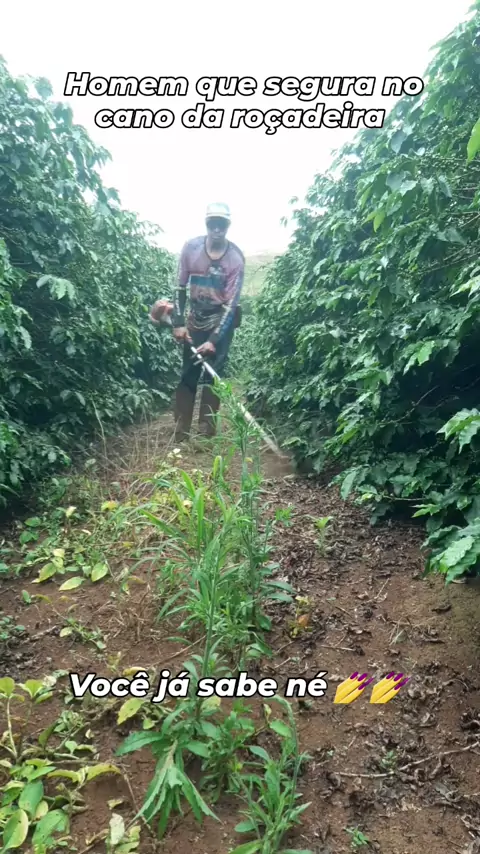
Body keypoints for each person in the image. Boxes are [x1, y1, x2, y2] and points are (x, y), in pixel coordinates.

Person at [167, 202, 245, 440]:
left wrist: (213, 340)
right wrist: (178, 323)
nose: (217, 229)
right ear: (207, 224)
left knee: (213, 375)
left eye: (222, 224)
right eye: (213, 223)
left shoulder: (235, 259)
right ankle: (181, 429)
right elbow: (179, 287)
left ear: (228, 226)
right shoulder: (191, 248)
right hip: (195, 317)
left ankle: (206, 430)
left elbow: (231, 305)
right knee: (188, 372)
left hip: (221, 319)